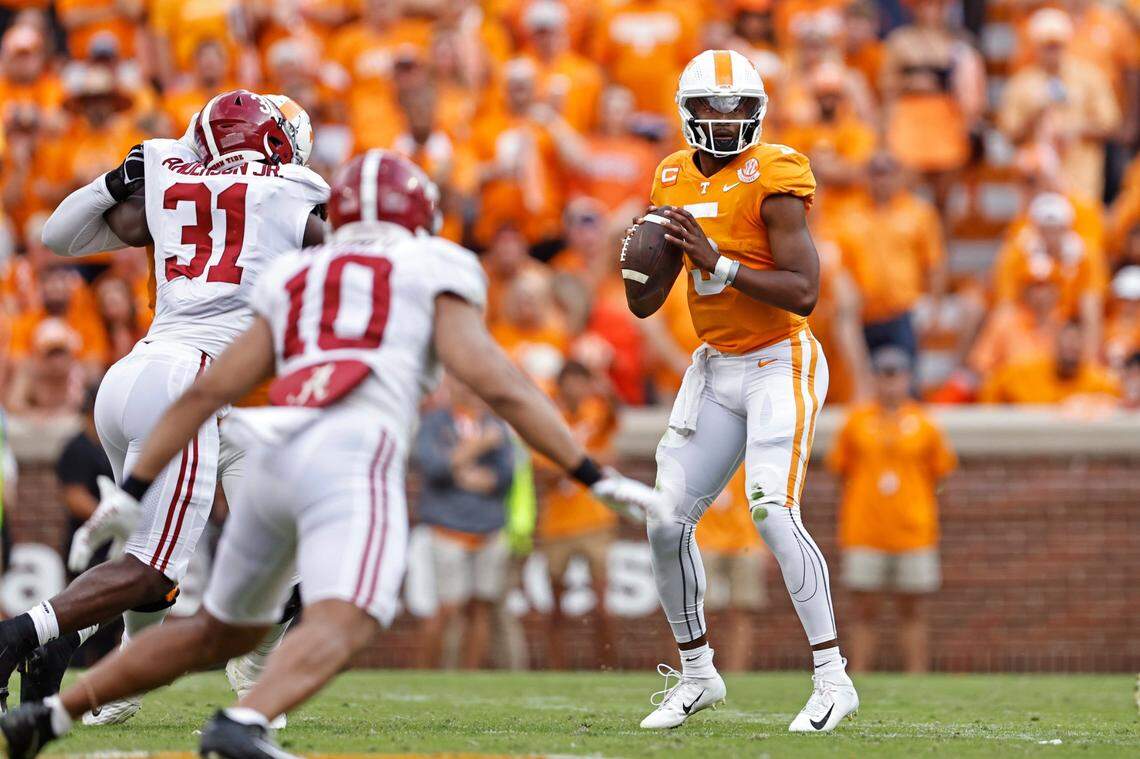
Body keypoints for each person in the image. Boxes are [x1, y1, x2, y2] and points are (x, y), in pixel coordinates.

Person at [0, 149, 665, 759]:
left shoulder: (293, 275)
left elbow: (215, 389)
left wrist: (134, 487)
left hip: (269, 451)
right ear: (421, 217)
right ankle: (245, 721)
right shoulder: (433, 264)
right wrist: (588, 470)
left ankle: (53, 716)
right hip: (346, 453)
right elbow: (502, 385)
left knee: (220, 629)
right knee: (349, 613)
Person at [0, 90, 328, 719]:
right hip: (198, 385)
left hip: (150, 379)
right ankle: (30, 636)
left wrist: (116, 180)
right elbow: (332, 252)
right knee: (154, 570)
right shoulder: (292, 190)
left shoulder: (166, 173)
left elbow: (58, 235)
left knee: (200, 559)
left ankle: (123, 668)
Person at [628, 49, 857, 733]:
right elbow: (648, 304)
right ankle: (697, 673)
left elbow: (806, 291)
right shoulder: (669, 174)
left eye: (737, 109)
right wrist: (643, 268)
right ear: (687, 112)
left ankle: (832, 676)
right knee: (664, 516)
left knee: (771, 510)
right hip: (715, 365)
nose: (725, 123)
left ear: (756, 114)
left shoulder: (776, 173)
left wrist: (720, 263)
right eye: (711, 109)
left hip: (777, 360)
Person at [828, 347, 957, 673]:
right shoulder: (855, 421)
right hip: (864, 529)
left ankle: (916, 675)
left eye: (896, 376)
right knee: (863, 609)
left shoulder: (925, 423)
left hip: (913, 530)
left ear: (907, 379)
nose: (890, 384)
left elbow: (941, 473)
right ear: (874, 379)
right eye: (883, 376)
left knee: (913, 609)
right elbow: (840, 470)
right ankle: (857, 675)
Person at [415, 377, 514, 670]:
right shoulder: (436, 422)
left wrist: (460, 470)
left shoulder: (495, 424)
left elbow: (504, 476)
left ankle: (469, 676)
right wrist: (476, 448)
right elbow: (434, 467)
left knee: (480, 606)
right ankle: (427, 674)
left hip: (488, 527)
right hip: (447, 528)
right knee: (447, 608)